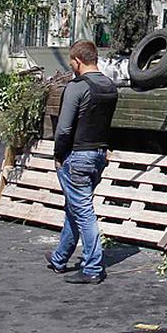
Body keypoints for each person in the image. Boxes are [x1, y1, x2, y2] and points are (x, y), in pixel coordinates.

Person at [46, 40, 119, 284]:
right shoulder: (110, 87)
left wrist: (58, 154)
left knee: (83, 211)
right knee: (75, 207)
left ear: (77, 61)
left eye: (71, 62)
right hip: (98, 155)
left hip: (77, 156)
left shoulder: (77, 87)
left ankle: (92, 268)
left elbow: (64, 128)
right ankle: (59, 258)